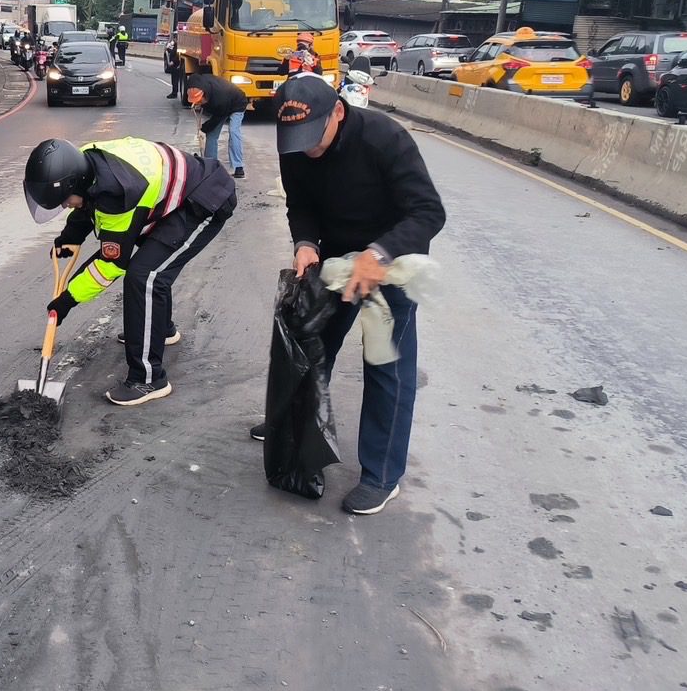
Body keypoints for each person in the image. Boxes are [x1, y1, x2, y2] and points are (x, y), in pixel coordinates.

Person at [254, 74, 446, 516]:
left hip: (392, 261)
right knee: (310, 347)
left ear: (338, 111)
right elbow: (300, 203)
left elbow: (428, 212)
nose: (307, 149)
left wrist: (378, 255)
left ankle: (382, 474)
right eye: (297, 140)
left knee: (386, 367)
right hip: (337, 260)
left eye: (313, 137)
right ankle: (293, 425)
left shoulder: (385, 139)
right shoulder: (295, 144)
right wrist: (305, 242)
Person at [24, 137, 237, 406]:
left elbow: (110, 265)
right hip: (178, 196)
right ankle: (160, 330)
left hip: (205, 200)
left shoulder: (117, 194)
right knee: (149, 262)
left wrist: (67, 299)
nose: (65, 206)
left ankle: (148, 379)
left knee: (145, 276)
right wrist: (70, 236)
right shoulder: (85, 161)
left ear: (76, 183)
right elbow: (88, 203)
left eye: (65, 200)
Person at [187, 73, 248, 179]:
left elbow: (217, 118)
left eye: (199, 101)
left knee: (233, 131)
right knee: (211, 135)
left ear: (204, 95)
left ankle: (238, 167)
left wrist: (205, 127)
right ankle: (210, 166)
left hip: (237, 102)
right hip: (222, 104)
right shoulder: (193, 85)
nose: (198, 103)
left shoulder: (219, 98)